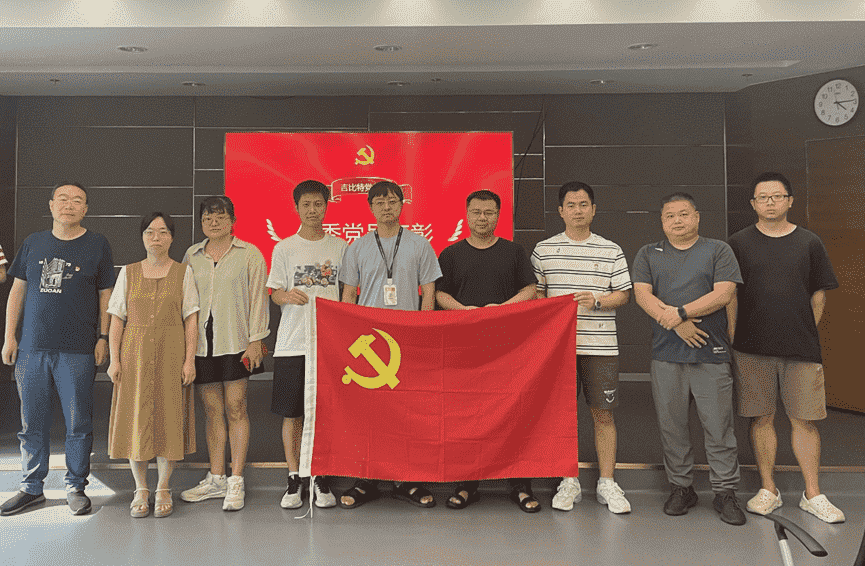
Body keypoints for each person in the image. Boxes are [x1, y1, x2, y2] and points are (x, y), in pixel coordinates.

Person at [728, 172, 844, 523]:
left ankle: (813, 494)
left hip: (801, 349)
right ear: (753, 204)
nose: (770, 203)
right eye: (763, 197)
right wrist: (734, 338)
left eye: (777, 196)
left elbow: (818, 295)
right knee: (761, 418)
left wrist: (802, 331)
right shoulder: (737, 243)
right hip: (751, 348)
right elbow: (730, 295)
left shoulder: (809, 242)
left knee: (804, 420)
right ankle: (769, 489)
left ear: (790, 201)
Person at [632, 192, 747, 526]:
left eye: (683, 214)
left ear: (697, 217)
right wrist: (676, 323)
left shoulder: (718, 250)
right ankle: (681, 488)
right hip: (666, 355)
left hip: (711, 354)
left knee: (719, 427)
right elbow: (642, 295)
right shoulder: (648, 253)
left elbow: (724, 293)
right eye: (670, 216)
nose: (677, 221)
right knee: (673, 427)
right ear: (662, 221)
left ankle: (725, 492)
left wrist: (679, 313)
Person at [1, 182, 115, 516]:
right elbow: (17, 291)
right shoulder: (33, 242)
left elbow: (106, 295)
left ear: (85, 209)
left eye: (77, 200)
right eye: (63, 199)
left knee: (78, 423)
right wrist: (10, 337)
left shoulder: (97, 244)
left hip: (78, 349)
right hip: (32, 348)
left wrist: (103, 337)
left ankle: (75, 486)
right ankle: (31, 487)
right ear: (51, 205)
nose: (69, 204)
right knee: (31, 423)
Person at [338, 180, 442, 509]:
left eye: (393, 201)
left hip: (408, 341)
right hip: (368, 344)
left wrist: (422, 335)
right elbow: (348, 295)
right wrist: (347, 336)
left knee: (407, 414)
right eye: (380, 202)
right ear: (370, 208)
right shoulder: (356, 248)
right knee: (368, 415)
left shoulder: (419, 244)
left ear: (401, 205)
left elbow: (429, 294)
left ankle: (406, 479)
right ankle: (367, 478)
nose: (387, 207)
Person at [531, 182, 633, 514]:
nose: (578, 210)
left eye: (584, 204)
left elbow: (623, 295)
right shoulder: (544, 250)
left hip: (600, 346)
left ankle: (607, 482)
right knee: (563, 416)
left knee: (603, 414)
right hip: (558, 350)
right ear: (561, 211)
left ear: (593, 209)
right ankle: (568, 480)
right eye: (571, 205)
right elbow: (537, 296)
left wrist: (597, 300)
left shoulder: (611, 249)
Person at [436, 189, 539, 513]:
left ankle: (520, 485)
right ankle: (467, 484)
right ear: (467, 215)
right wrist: (465, 312)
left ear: (498, 215)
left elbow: (530, 289)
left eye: (489, 212)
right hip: (465, 349)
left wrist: (501, 310)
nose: (483, 218)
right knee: (468, 417)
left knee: (515, 414)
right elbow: (439, 295)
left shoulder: (513, 252)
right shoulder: (450, 254)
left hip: (508, 348)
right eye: (477, 212)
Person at [180, 196, 270, 512]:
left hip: (237, 342)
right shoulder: (192, 255)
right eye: (208, 217)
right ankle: (216, 478)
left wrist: (256, 340)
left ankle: (236, 480)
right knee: (211, 409)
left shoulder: (250, 254)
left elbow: (259, 299)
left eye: (220, 216)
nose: (214, 222)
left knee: (236, 407)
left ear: (233, 221)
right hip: (202, 345)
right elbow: (186, 301)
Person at [106, 213, 199, 518]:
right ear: (142, 237)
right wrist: (114, 359)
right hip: (134, 354)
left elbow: (191, 319)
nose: (156, 238)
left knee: (169, 418)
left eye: (162, 232)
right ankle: (140, 489)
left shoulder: (184, 272)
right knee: (135, 419)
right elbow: (116, 318)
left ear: (172, 237)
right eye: (150, 232)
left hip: (172, 352)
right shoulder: (128, 272)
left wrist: (189, 360)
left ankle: (163, 488)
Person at [267, 180, 347, 509]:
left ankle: (320, 477)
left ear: (326, 206)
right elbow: (274, 292)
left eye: (318, 204)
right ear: (297, 208)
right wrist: (286, 296)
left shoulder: (341, 247)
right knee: (292, 414)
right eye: (306, 204)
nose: (312, 210)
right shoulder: (284, 248)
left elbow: (349, 292)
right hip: (292, 343)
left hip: (329, 345)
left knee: (325, 413)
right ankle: (294, 477)